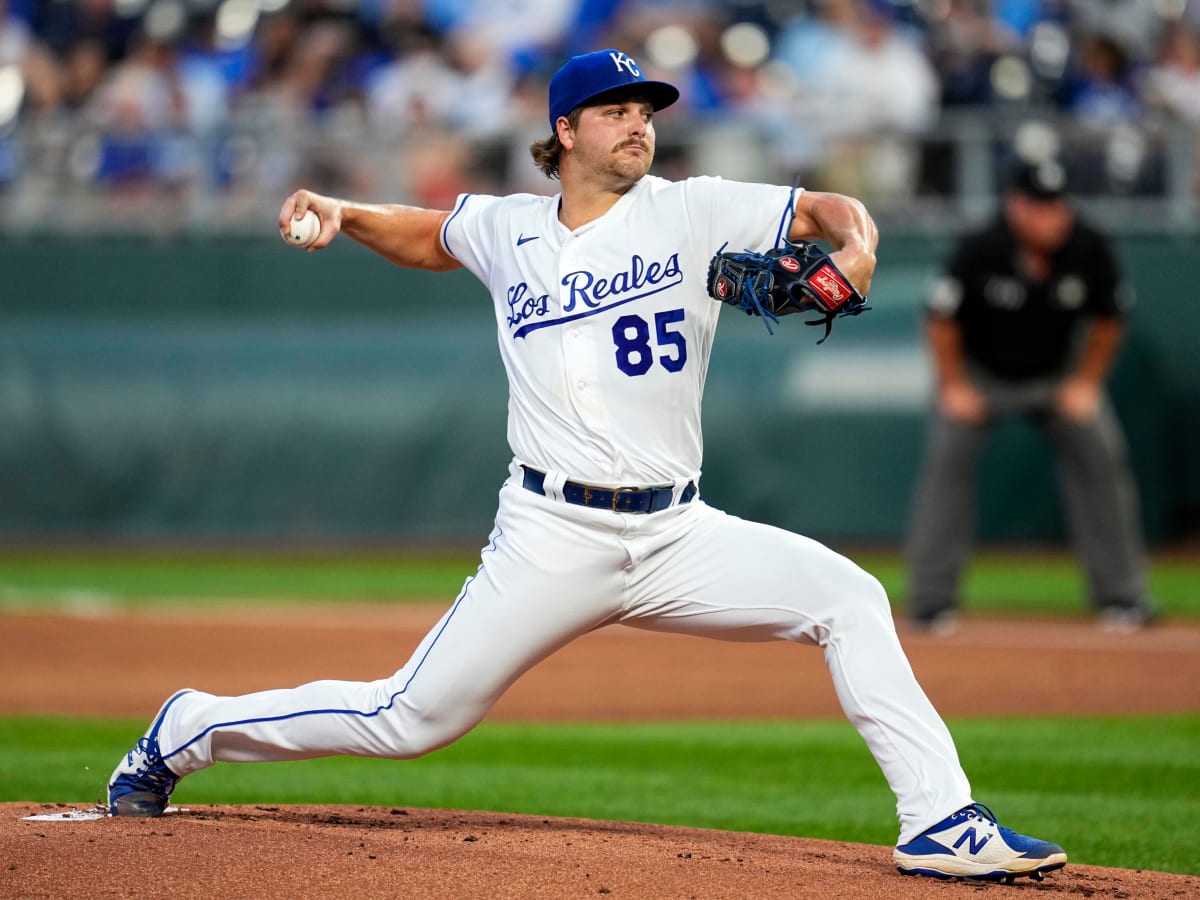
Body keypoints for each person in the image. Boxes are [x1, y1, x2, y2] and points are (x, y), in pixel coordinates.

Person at [108, 48, 1067, 883]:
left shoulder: (696, 211)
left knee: (848, 597)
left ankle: (940, 821)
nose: (636, 127)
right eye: (616, 112)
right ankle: (189, 726)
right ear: (565, 130)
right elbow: (428, 235)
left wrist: (855, 246)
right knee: (410, 718)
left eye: (645, 113)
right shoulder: (508, 228)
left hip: (676, 531)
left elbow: (826, 207)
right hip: (551, 534)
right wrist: (344, 211)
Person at [906, 157, 1156, 634]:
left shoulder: (1089, 245)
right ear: (1016, 207)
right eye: (1040, 207)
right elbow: (940, 317)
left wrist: (1086, 382)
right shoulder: (981, 245)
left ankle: (1123, 597)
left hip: (1057, 375)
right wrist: (955, 386)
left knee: (1102, 458)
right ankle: (931, 601)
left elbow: (1110, 319)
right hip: (981, 375)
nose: (1052, 217)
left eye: (1058, 207)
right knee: (946, 465)